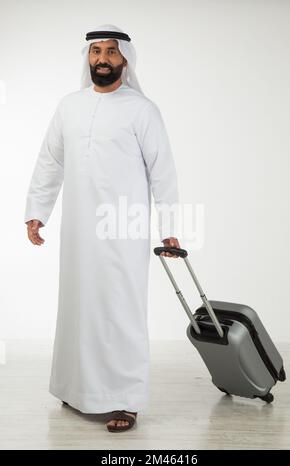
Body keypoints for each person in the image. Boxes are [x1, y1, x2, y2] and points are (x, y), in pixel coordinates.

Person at [24, 24, 181, 433]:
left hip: (123, 230)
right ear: (87, 58)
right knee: (78, 306)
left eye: (111, 52)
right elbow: (50, 161)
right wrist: (37, 211)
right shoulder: (69, 106)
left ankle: (124, 399)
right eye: (96, 52)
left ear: (125, 59)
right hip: (78, 231)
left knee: (119, 310)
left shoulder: (142, 110)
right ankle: (78, 390)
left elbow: (162, 172)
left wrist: (168, 227)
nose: (103, 60)